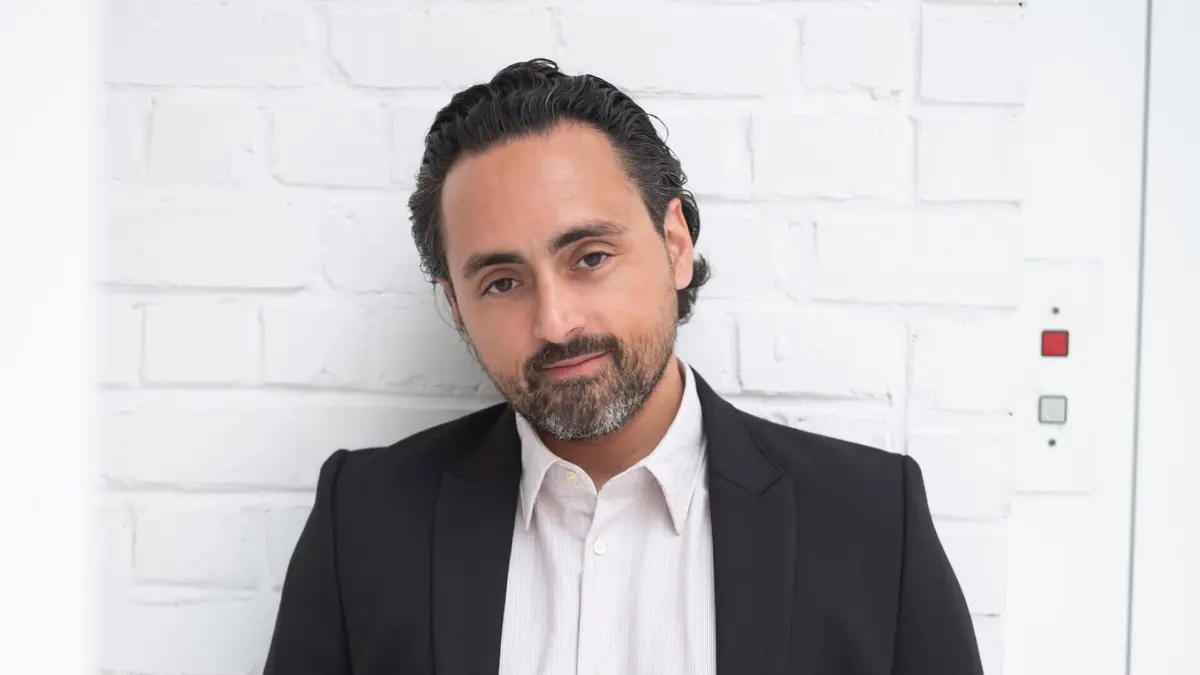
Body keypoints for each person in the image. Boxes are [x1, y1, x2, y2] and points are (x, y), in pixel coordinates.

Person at [263, 58, 983, 675]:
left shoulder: (870, 521)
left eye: (591, 258)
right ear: (456, 304)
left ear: (675, 245)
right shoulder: (363, 521)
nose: (555, 323)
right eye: (502, 282)